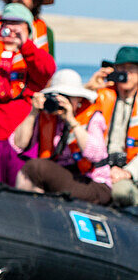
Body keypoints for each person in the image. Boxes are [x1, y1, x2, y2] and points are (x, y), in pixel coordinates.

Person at [0, 3, 56, 185]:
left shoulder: (32, 56)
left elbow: (48, 70)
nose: (10, 29)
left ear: (28, 28)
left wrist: (24, 44)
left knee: (17, 192)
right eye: (6, 23)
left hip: (18, 139)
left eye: (17, 24)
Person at [11, 69, 111, 205]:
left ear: (79, 98)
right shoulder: (48, 117)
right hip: (64, 176)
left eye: (68, 96)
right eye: (58, 96)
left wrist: (72, 121)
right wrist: (33, 112)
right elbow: (19, 144)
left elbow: (97, 155)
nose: (62, 101)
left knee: (35, 168)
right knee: (31, 171)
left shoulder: (93, 117)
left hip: (93, 182)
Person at [84, 46, 138, 206]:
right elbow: (75, 112)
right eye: (121, 69)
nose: (126, 74)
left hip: (129, 172)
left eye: (131, 69)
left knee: (120, 191)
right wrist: (90, 88)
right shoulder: (100, 95)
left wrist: (128, 172)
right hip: (100, 168)